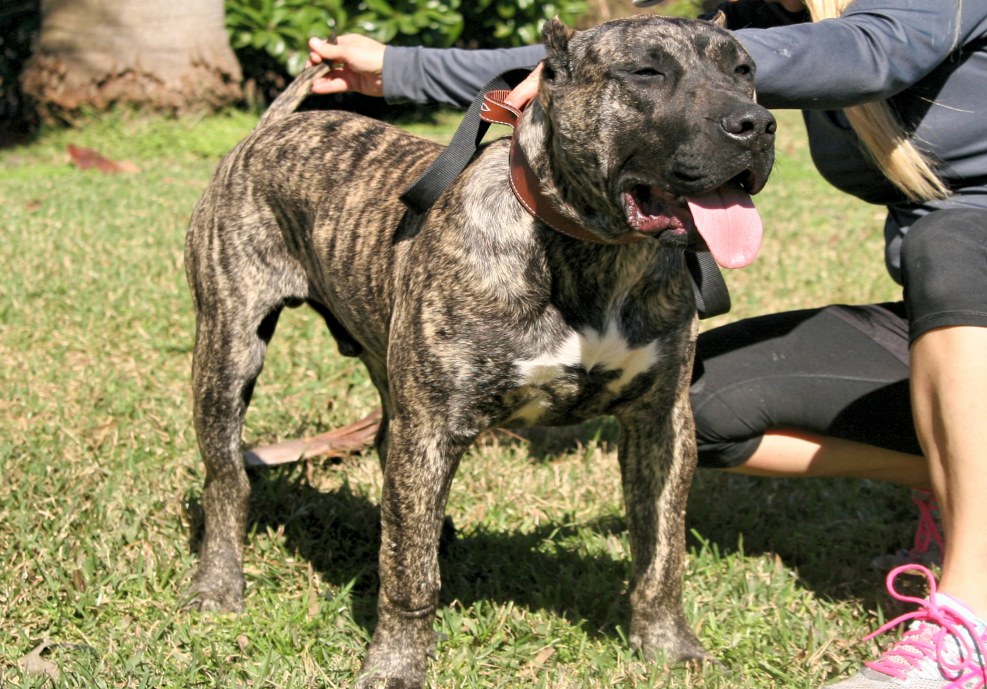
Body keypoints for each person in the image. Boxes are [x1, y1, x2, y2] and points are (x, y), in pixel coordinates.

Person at [307, 1, 987, 686]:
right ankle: (960, 475)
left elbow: (861, 53)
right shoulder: (754, 16)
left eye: (737, 72)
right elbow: (591, 60)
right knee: (703, 405)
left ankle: (968, 611)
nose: (742, 107)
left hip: (967, 264)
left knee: (949, 238)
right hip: (942, 316)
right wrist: (399, 68)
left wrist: (706, 55)